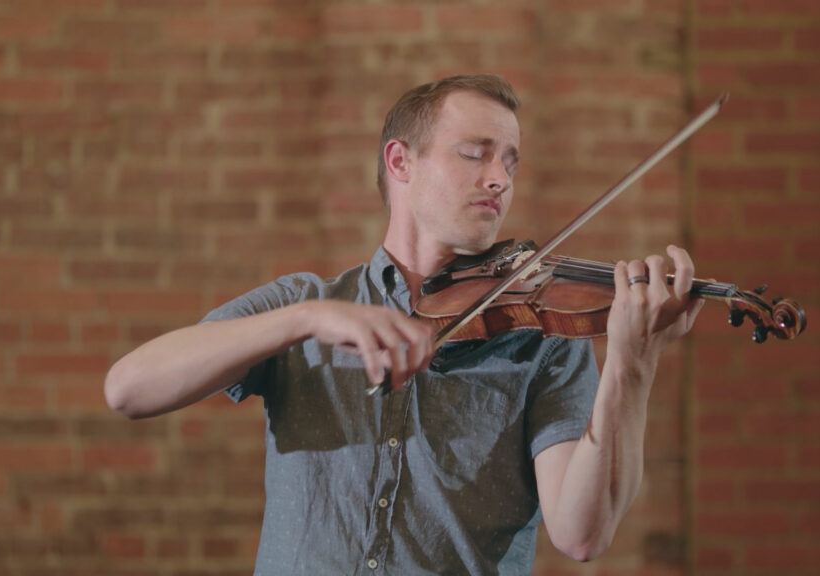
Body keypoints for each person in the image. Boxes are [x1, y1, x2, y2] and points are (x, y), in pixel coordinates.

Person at [104, 74, 704, 575]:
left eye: (510, 162)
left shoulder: (541, 337)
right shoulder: (306, 305)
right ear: (401, 162)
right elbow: (128, 388)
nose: (500, 178)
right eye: (475, 154)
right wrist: (305, 319)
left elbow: (581, 533)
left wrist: (633, 362)